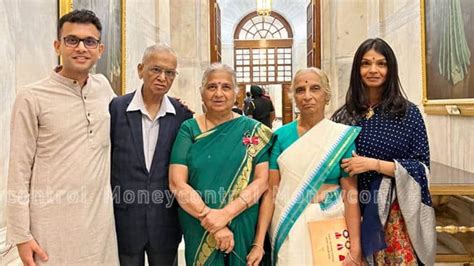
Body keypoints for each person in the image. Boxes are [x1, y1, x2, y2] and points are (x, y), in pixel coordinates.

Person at [7, 9, 119, 265]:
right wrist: (21, 236)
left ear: (100, 50)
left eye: (89, 41)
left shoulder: (103, 88)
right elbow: (19, 170)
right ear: (58, 45)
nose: (81, 47)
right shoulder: (31, 96)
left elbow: (131, 117)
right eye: (72, 40)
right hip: (52, 229)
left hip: (100, 227)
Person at [332, 38, 436, 265]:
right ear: (357, 69)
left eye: (381, 64)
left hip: (393, 215)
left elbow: (422, 169)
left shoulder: (408, 114)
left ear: (390, 69)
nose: (373, 70)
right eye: (365, 63)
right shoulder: (343, 116)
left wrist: (374, 164)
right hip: (349, 209)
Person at [252, 68, 362, 265]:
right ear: (293, 96)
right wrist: (259, 243)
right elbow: (270, 191)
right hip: (289, 222)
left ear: (326, 95)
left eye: (315, 88)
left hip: (330, 222)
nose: (307, 96)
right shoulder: (280, 136)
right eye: (300, 90)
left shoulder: (340, 138)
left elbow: (350, 192)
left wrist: (355, 247)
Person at [169, 63, 273, 265]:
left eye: (225, 87)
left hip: (242, 221)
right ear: (202, 93)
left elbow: (261, 182)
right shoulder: (189, 129)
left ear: (236, 94)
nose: (218, 93)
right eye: (211, 87)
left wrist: (226, 214)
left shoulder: (254, 131)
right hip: (199, 223)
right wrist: (213, 221)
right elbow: (176, 183)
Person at [109, 44, 193, 266]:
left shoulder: (182, 115)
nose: (162, 77)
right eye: (155, 70)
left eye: (170, 73)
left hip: (165, 222)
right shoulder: (116, 109)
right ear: (140, 70)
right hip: (125, 220)